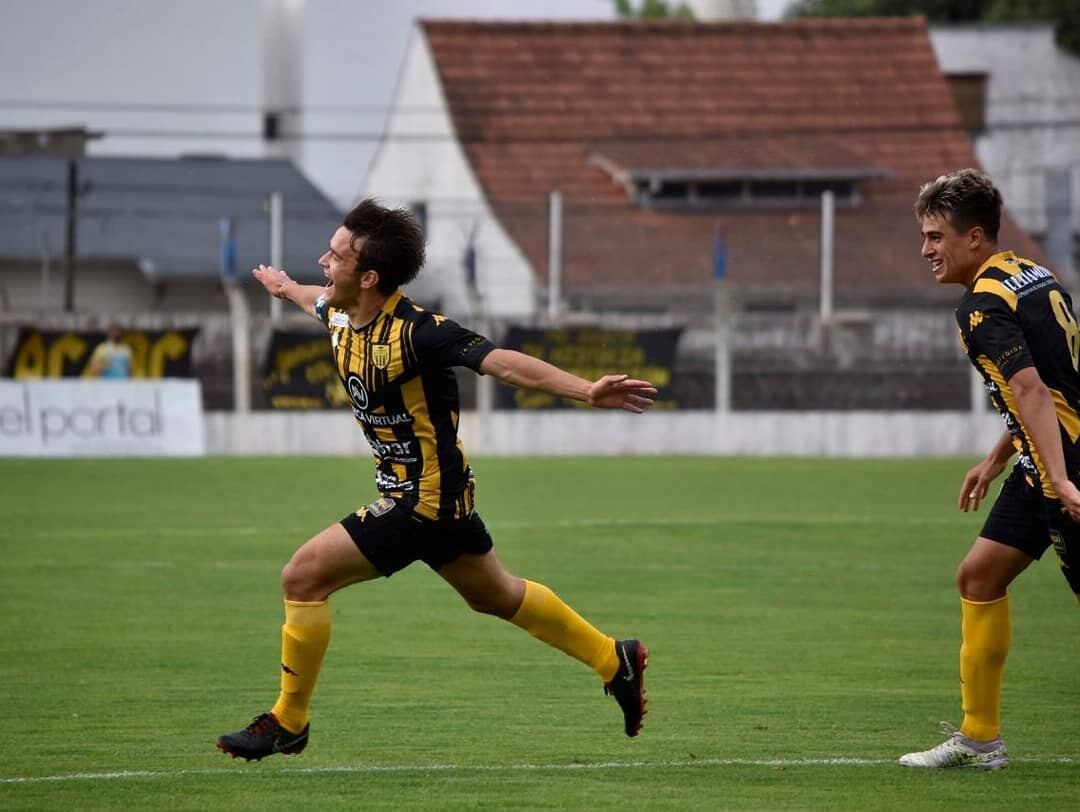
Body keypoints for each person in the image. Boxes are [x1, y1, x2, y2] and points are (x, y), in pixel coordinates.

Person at [217, 200, 657, 761]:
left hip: (419, 502)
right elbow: (314, 299)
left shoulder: (420, 334)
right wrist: (283, 287)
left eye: (335, 255)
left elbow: (502, 362)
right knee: (495, 595)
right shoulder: (339, 312)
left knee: (302, 578)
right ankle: (612, 659)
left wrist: (585, 390)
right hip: (441, 499)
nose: (322, 261)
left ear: (369, 277)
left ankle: (289, 721)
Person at [899, 169, 1080, 770]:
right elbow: (1049, 385)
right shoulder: (1032, 274)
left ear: (974, 237)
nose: (926, 249)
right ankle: (980, 738)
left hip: (1063, 466)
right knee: (978, 576)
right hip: (1042, 461)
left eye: (935, 236)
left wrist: (1059, 477)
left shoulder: (981, 307)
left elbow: (1029, 388)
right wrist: (996, 458)